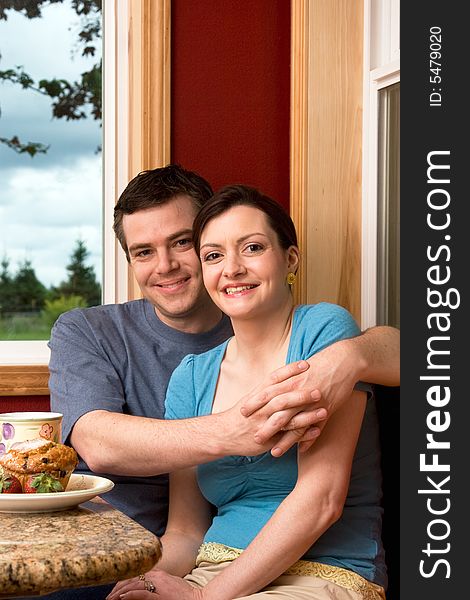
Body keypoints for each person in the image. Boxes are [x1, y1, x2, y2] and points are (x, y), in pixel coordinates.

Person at [48, 165, 398, 598]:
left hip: (321, 572)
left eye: (251, 247)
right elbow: (186, 530)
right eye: (215, 254)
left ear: (289, 258)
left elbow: (320, 502)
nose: (231, 268)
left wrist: (202, 598)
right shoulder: (192, 376)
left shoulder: (322, 335)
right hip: (210, 567)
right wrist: (145, 582)